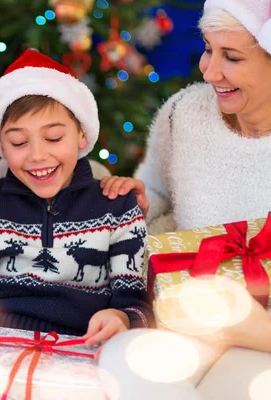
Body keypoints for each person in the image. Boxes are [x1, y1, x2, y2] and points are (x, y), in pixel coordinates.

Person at [99, 1, 271, 398]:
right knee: (124, 365)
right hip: (189, 313)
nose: (209, 71)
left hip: (262, 332)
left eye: (231, 56)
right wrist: (139, 202)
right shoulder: (184, 113)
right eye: (209, 49)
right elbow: (158, 191)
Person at [0, 50, 153, 349]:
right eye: (18, 142)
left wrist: (121, 317)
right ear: (1, 144)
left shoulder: (117, 204)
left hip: (86, 343)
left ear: (82, 135)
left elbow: (137, 304)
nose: (37, 155)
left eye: (53, 138)